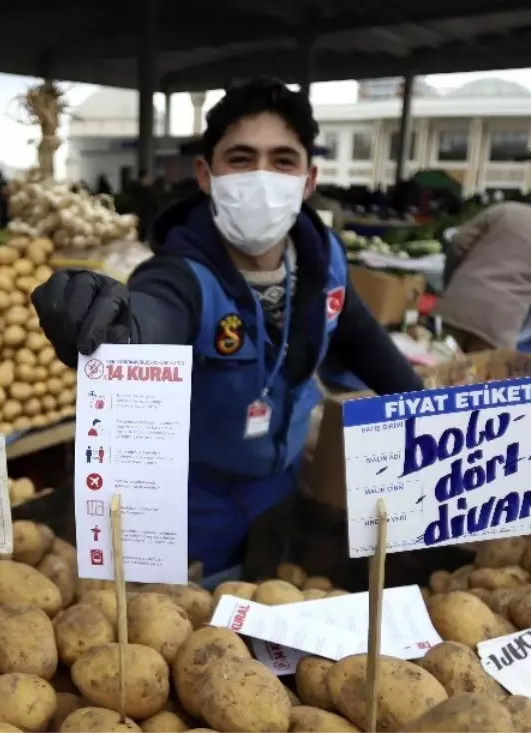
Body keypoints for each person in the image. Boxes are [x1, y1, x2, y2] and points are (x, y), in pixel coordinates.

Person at [31, 77, 423, 583]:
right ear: (206, 174)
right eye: (240, 159)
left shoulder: (325, 263)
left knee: (266, 591)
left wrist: (429, 417)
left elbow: (361, 338)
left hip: (279, 490)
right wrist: (111, 322)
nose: (262, 176)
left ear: (308, 179)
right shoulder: (183, 275)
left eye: (283, 160)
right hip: (194, 505)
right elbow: (154, 317)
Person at [435, 178, 531, 352]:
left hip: (458, 305)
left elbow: (458, 243)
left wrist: (453, 281)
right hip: (500, 323)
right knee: (478, 375)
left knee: (438, 366)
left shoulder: (507, 210)